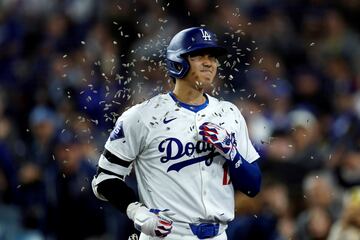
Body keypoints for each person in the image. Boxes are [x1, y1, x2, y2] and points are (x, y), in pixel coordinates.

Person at [92, 27, 262, 240]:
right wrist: (137, 211)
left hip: (219, 235)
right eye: (199, 56)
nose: (209, 63)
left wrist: (232, 153)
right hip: (167, 235)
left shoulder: (229, 113)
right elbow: (104, 178)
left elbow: (253, 185)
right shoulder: (142, 116)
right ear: (177, 62)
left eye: (212, 57)